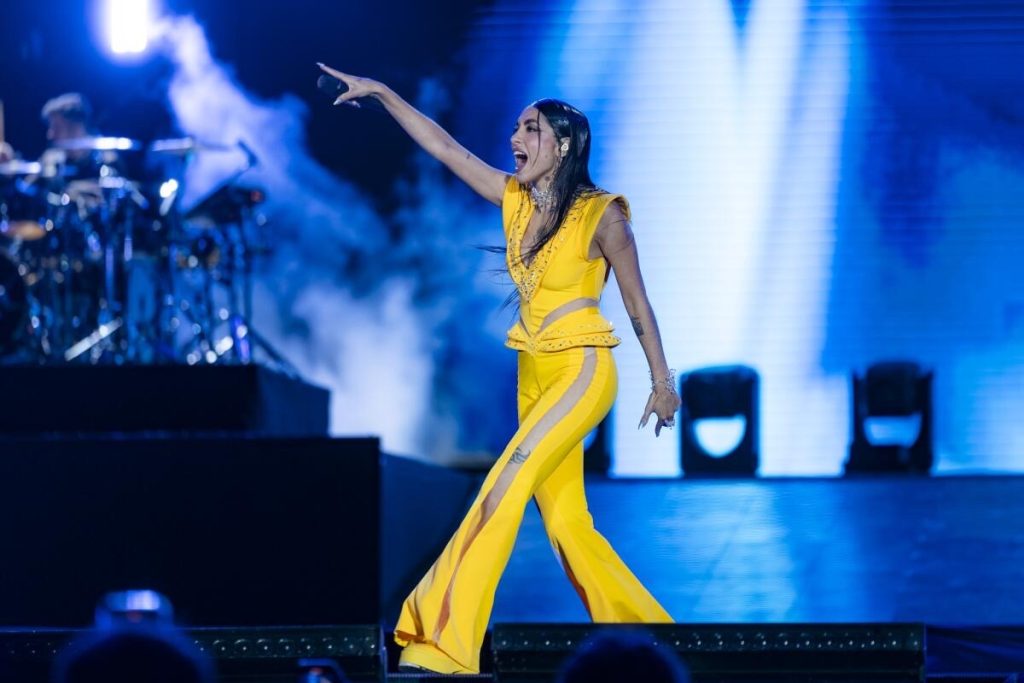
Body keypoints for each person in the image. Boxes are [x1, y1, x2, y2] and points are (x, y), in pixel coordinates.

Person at [318, 63, 680, 675]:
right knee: (566, 524)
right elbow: (443, 147)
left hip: (582, 370)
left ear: (562, 145)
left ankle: (439, 642)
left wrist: (663, 383)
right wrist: (383, 94)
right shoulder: (513, 200)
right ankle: (652, 639)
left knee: (503, 485)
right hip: (532, 374)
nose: (515, 138)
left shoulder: (603, 216)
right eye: (515, 128)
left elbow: (638, 303)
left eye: (530, 129)